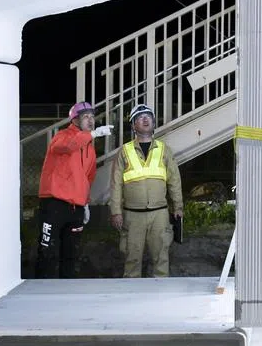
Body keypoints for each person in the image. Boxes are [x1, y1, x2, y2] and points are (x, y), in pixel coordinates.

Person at [35, 101, 112, 278]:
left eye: (93, 117)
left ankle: (66, 291)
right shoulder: (62, 136)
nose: (91, 121)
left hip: (75, 207)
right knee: (47, 249)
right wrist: (92, 134)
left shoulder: (89, 147)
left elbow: (88, 176)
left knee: (71, 253)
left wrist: (85, 202)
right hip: (54, 203)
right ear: (75, 120)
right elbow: (67, 146)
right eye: (86, 117)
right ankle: (40, 292)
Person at [109, 103, 183, 278]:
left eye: (148, 116)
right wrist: (116, 212)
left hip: (160, 214)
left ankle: (161, 301)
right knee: (132, 261)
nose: (145, 119)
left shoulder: (164, 150)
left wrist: (178, 207)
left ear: (154, 122)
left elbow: (174, 180)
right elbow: (116, 184)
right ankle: (132, 301)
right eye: (140, 117)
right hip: (132, 216)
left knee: (161, 260)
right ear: (134, 125)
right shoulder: (124, 152)